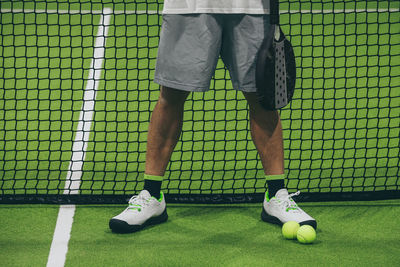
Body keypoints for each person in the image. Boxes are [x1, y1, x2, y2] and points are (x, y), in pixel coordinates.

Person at [109, 0, 317, 233]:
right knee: (171, 96)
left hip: (251, 8)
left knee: (263, 98)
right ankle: (151, 195)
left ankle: (277, 195)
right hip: (189, 7)